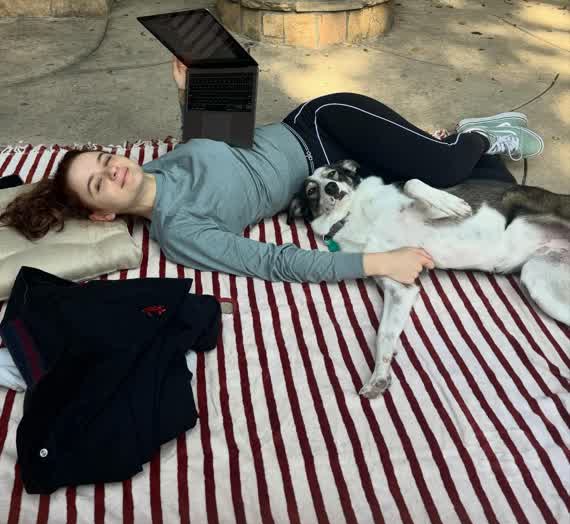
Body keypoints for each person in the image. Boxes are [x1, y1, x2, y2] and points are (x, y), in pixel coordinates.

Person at [0, 57, 544, 285]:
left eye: (104, 159)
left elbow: (210, 142)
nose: (114, 168)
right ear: (101, 214)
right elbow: (272, 261)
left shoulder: (158, 163)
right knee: (485, 193)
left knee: (444, 165)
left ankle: (476, 131)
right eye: (99, 183)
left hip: (324, 123)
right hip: (335, 171)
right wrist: (380, 262)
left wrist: (191, 90)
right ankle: (458, 149)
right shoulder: (181, 231)